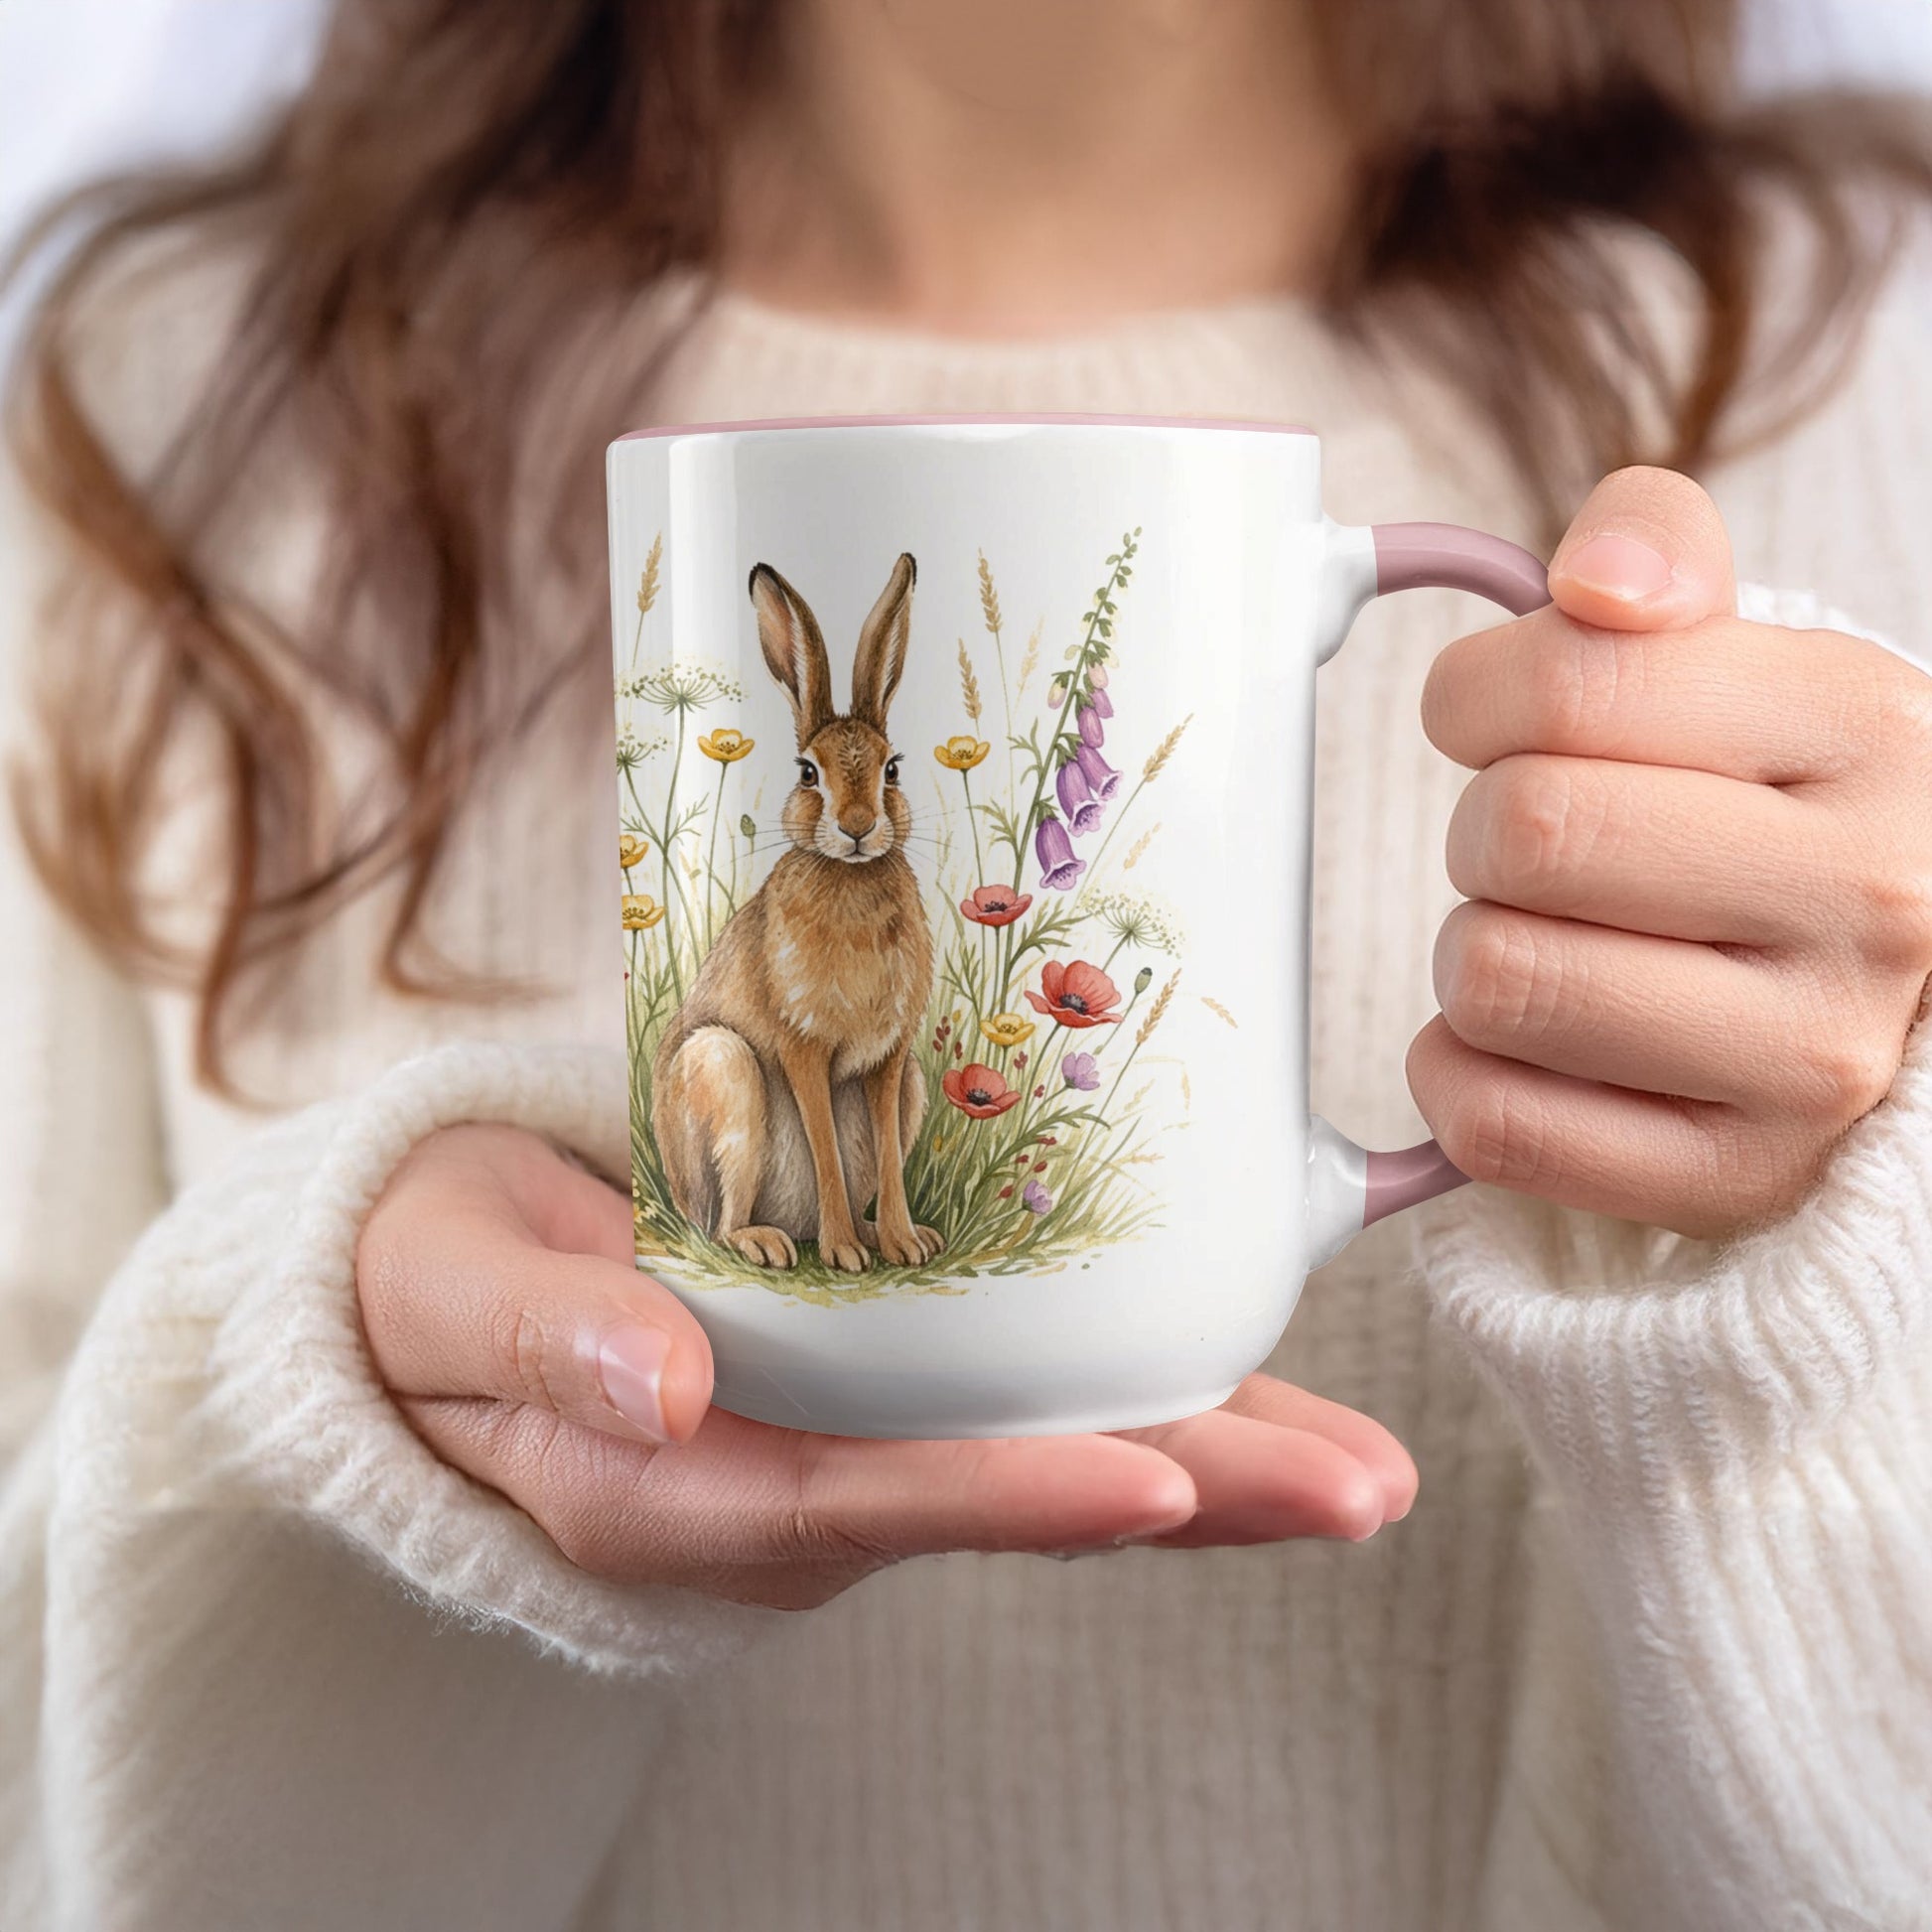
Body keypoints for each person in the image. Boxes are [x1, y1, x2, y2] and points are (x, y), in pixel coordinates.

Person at [3, 2, 1930, 1928]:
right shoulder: (162, 403)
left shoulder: (1864, 357)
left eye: (870, 774)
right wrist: (303, 1401)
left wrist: (1853, 1209)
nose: (847, 805)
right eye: (825, 773)